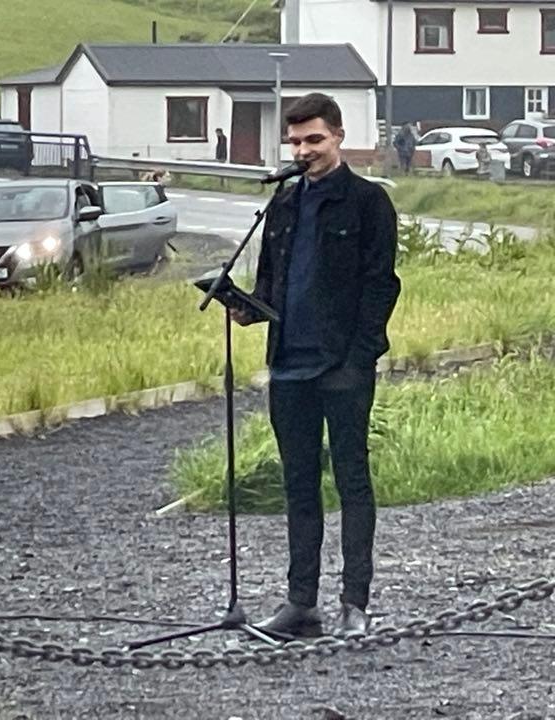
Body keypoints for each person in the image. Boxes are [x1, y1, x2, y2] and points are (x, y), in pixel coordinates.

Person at [228, 92, 401, 638]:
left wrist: (360, 355)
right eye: (296, 142)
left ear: (339, 137)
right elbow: (271, 283)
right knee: (299, 485)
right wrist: (247, 308)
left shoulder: (368, 202)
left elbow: (381, 285)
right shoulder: (281, 204)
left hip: (343, 366)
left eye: (314, 140)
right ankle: (301, 603)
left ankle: (355, 603)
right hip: (289, 364)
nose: (304, 151)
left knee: (352, 479)